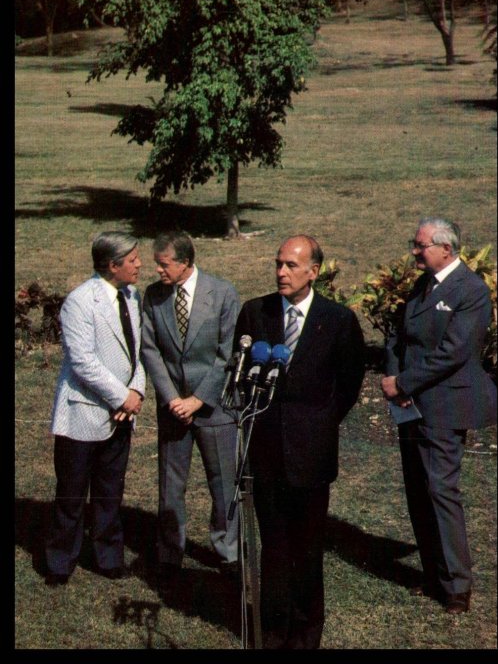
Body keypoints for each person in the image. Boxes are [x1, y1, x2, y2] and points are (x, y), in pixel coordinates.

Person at [234, 234, 365, 649]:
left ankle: (306, 635)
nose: (281, 273)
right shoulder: (255, 313)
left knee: (307, 551)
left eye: (291, 266)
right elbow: (241, 377)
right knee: (273, 548)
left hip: (311, 455)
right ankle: (272, 632)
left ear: (314, 271)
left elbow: (348, 385)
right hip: (266, 454)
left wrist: (319, 424)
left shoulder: (338, 320)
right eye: (278, 264)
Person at [381, 217, 497, 615]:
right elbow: (398, 335)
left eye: (421, 245)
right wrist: (393, 374)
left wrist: (404, 383)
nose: (414, 251)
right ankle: (433, 575)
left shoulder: (471, 291)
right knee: (418, 489)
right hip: (412, 403)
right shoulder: (422, 285)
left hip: (446, 405)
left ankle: (456, 588)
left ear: (446, 249)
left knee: (440, 490)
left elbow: (455, 352)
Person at [45, 231, 145, 586]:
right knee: (72, 494)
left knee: (110, 490)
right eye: (132, 260)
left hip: (120, 414)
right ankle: (60, 562)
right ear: (112, 265)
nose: (139, 264)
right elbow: (83, 362)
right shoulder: (79, 302)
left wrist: (136, 390)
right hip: (82, 414)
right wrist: (122, 397)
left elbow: (138, 352)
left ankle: (108, 556)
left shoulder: (132, 296)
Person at [141, 231, 240, 586]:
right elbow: (150, 350)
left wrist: (199, 399)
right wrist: (172, 399)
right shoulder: (153, 297)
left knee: (224, 484)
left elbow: (228, 354)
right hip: (173, 408)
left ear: (185, 263)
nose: (156, 270)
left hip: (213, 408)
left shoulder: (223, 293)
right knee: (170, 484)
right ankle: (170, 553)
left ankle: (228, 554)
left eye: (163, 264)